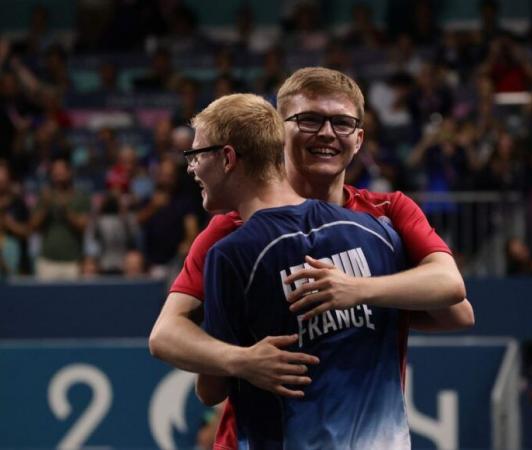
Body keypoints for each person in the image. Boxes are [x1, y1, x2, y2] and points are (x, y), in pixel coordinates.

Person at [149, 67, 473, 446]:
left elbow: (454, 302)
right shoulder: (229, 232)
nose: (327, 133)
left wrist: (357, 291)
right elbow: (167, 333)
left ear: (359, 138)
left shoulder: (387, 214)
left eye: (342, 123)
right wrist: (241, 359)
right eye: (309, 120)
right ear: (278, 130)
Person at [194, 93, 433, 448]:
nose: (191, 167)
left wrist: (239, 359)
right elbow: (455, 310)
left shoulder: (230, 252)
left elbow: (210, 390)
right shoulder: (379, 232)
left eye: (197, 155)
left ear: (228, 157)